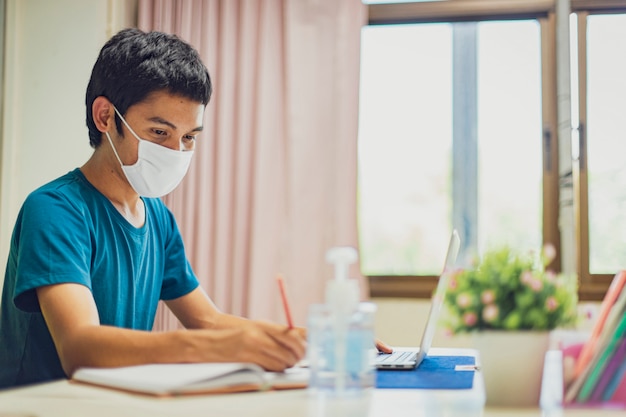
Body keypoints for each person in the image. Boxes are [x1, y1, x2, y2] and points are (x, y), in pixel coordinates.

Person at [0, 28, 390, 390]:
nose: (177, 152)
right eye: (159, 133)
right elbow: (80, 350)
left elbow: (207, 320)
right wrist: (223, 347)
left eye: (189, 137)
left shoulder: (157, 218)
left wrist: (315, 339)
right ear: (105, 116)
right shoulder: (55, 210)